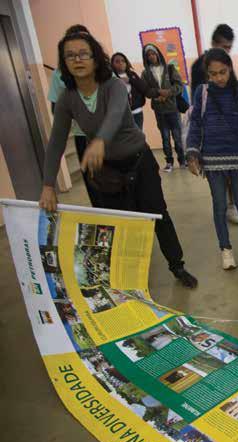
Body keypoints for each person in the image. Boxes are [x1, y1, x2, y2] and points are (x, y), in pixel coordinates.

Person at [38, 32, 198, 288]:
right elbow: (57, 141)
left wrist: (100, 140)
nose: (77, 59)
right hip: (109, 172)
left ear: (95, 58)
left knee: (157, 215)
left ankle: (177, 266)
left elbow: (115, 114)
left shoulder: (112, 85)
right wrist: (48, 184)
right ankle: (134, 279)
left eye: (83, 54)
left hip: (139, 160)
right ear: (64, 62)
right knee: (123, 225)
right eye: (70, 55)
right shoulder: (68, 97)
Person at [186, 48, 238, 270]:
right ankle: (226, 249)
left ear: (230, 68)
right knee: (219, 205)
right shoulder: (202, 92)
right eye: (213, 74)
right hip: (212, 160)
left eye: (222, 72)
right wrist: (192, 153)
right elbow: (196, 124)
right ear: (207, 74)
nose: (218, 78)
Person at [189, 24, 238, 226]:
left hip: (230, 127)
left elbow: (234, 92)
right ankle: (223, 206)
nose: (225, 50)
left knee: (233, 170)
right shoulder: (198, 67)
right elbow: (196, 103)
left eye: (229, 47)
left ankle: (233, 204)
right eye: (222, 45)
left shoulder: (228, 64)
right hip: (210, 130)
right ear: (213, 43)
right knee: (216, 173)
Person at [47, 24, 98, 206]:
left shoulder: (103, 72)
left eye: (83, 50)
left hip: (110, 136)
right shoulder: (58, 75)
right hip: (82, 136)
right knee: (95, 188)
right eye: (71, 52)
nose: (78, 57)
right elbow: (56, 110)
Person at [141, 43, 186, 172]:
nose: (151, 57)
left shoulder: (169, 68)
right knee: (165, 137)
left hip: (173, 108)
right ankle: (169, 162)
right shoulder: (145, 73)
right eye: (148, 55)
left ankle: (182, 160)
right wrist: (156, 94)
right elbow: (145, 90)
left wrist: (168, 93)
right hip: (159, 110)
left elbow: (179, 86)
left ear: (158, 54)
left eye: (153, 54)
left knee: (177, 136)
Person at [110, 52, 158, 131]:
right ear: (112, 64)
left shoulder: (132, 75)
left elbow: (143, 88)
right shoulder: (111, 78)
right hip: (122, 115)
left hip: (137, 112)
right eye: (117, 61)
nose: (121, 63)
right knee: (126, 138)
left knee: (139, 135)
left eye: (123, 61)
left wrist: (130, 80)